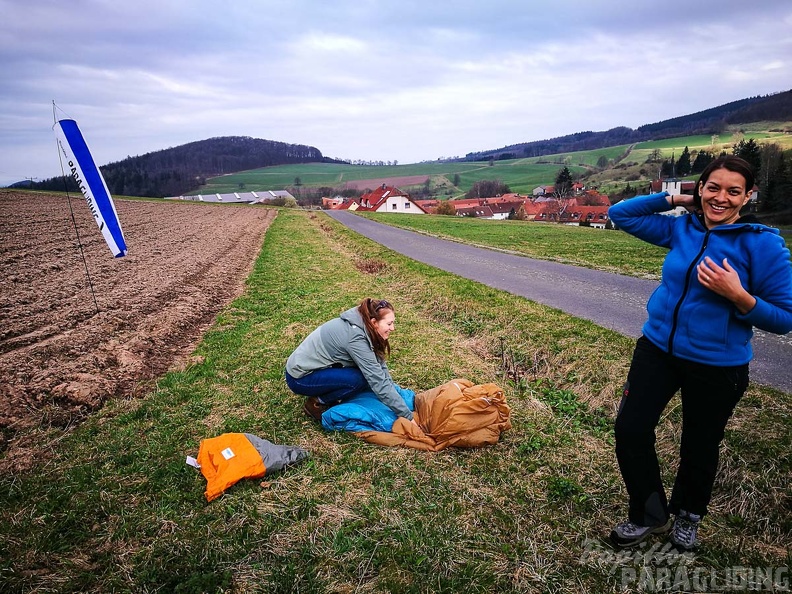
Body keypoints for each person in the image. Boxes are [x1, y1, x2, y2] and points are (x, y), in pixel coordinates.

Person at [607, 155, 792, 551]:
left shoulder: (762, 244)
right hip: (657, 349)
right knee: (630, 430)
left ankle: (688, 517)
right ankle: (648, 513)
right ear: (700, 189)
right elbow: (619, 213)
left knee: (700, 443)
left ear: (748, 196)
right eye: (713, 188)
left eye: (733, 191)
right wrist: (675, 201)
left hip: (717, 365)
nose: (721, 197)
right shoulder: (683, 230)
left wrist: (739, 296)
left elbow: (784, 318)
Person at [285, 298, 415, 423]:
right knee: (359, 379)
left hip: (317, 367)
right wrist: (407, 417)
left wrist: (394, 391)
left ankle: (329, 391)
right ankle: (316, 402)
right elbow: (377, 381)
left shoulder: (363, 324)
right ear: (374, 322)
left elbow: (379, 365)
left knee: (364, 375)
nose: (393, 328)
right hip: (300, 378)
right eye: (389, 324)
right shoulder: (355, 339)